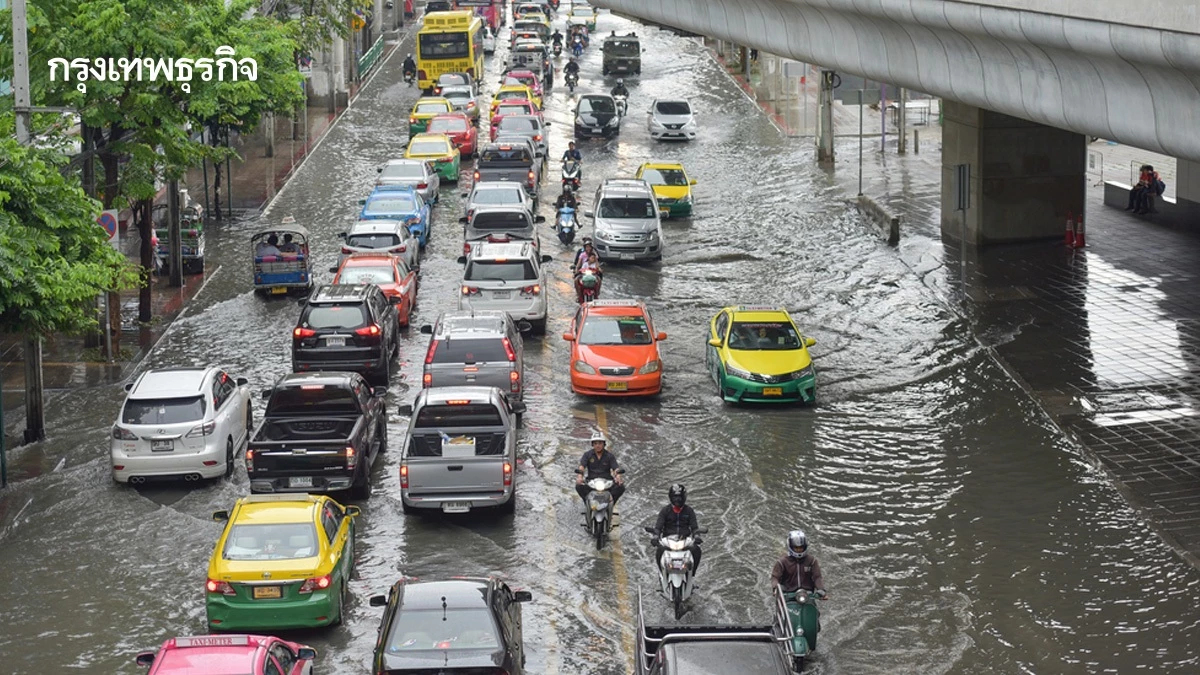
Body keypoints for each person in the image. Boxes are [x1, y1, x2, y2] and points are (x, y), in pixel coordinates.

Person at [652, 484, 702, 573]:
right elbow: (658, 527)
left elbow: (694, 527)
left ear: (684, 497)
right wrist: (656, 536)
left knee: (696, 550)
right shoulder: (665, 511)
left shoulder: (689, 511)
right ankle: (662, 573)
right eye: (675, 497)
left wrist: (697, 536)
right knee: (659, 550)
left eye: (679, 497)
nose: (677, 500)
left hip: (685, 541)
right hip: (668, 541)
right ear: (670, 497)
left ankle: (692, 573)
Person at [770, 530, 827, 598]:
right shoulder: (782, 562)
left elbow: (817, 577)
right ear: (791, 546)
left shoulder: (812, 561)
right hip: (787, 595)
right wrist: (776, 588)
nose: (799, 550)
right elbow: (775, 577)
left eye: (801, 548)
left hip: (807, 595)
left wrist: (821, 590)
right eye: (796, 548)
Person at [575, 431, 625, 505]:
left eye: (600, 443)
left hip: (607, 482)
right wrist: (579, 476)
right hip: (591, 482)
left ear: (604, 444)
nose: (598, 446)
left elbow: (615, 468)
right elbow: (582, 466)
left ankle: (611, 503)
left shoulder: (609, 456)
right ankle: (587, 503)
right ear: (592, 444)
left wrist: (618, 476)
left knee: (621, 487)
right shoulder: (587, 455)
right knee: (579, 486)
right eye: (595, 443)